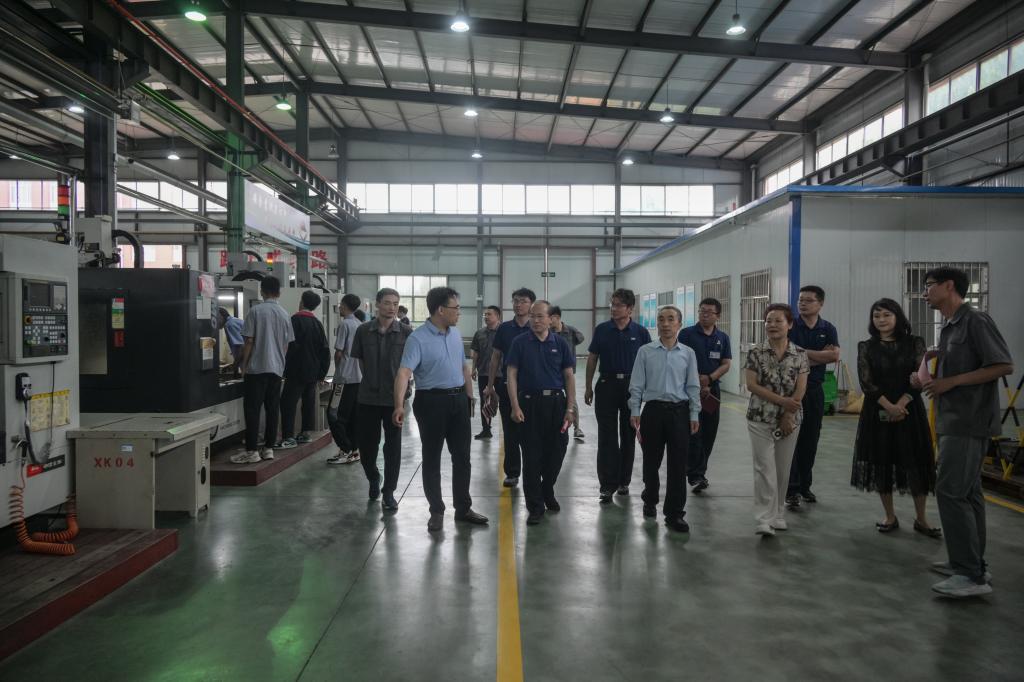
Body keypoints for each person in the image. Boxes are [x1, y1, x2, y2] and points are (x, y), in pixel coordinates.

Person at [914, 267, 1012, 598]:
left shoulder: (975, 321)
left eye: (929, 286)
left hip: (969, 421)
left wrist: (951, 381)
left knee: (950, 491)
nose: (924, 293)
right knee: (968, 493)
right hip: (952, 419)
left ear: (949, 286)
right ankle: (971, 563)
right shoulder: (949, 326)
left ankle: (970, 575)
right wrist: (929, 373)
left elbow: (1003, 365)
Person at [394, 286, 489, 532]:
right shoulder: (418, 339)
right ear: (440, 310)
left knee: (463, 457)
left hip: (459, 400)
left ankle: (463, 508)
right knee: (432, 458)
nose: (459, 312)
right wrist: (399, 405)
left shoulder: (455, 334)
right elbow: (404, 372)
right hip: (431, 402)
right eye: (456, 308)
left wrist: (470, 396)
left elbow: (464, 367)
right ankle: (436, 511)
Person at [851, 298, 940, 537]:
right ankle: (890, 516)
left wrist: (900, 404)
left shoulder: (915, 343)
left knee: (916, 462)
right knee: (882, 462)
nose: (881, 320)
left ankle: (921, 518)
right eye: (876, 316)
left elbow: (920, 378)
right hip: (877, 410)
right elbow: (867, 383)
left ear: (898, 317)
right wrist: (889, 406)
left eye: (886, 315)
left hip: (909, 410)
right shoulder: (866, 347)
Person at [628, 306, 700, 533]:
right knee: (651, 461)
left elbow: (693, 385)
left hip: (679, 413)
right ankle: (650, 498)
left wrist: (694, 413)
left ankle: (675, 513)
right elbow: (637, 384)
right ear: (657, 324)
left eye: (671, 319)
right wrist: (635, 410)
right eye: (661, 319)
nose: (665, 324)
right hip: (653, 412)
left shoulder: (688, 353)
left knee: (678, 464)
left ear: (679, 324)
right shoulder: (645, 351)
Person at [507, 300, 576, 526]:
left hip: (556, 404)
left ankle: (547, 489)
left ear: (551, 319)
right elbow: (512, 375)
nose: (535, 320)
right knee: (532, 456)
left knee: (557, 451)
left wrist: (570, 408)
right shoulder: (520, 343)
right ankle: (535, 506)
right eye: (532, 316)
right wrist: (515, 406)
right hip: (529, 404)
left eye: (540, 316)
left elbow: (569, 377)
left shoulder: (560, 343)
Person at [745, 304, 808, 536]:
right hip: (760, 417)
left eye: (778, 321)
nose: (772, 325)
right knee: (764, 468)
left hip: (790, 420)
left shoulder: (800, 354)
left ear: (790, 324)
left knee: (782, 469)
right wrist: (783, 402)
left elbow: (801, 388)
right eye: (768, 321)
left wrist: (788, 414)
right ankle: (764, 519)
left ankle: (778, 513)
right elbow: (751, 385)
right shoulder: (755, 352)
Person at [585, 288, 651, 503]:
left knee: (628, 434)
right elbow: (592, 358)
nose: (613, 308)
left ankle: (624, 481)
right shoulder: (602, 330)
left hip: (632, 388)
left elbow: (647, 363)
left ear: (630, 309)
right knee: (607, 436)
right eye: (612, 304)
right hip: (606, 385)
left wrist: (646, 390)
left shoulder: (641, 333)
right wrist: (588, 386)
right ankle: (607, 484)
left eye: (618, 305)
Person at [349, 288, 413, 509]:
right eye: (387, 303)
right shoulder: (363, 331)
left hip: (394, 400)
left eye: (395, 303)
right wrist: (371, 380)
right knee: (367, 447)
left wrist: (401, 397)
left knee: (393, 448)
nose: (392, 307)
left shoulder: (406, 332)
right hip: (367, 398)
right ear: (377, 304)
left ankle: (389, 492)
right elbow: (360, 361)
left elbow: (409, 366)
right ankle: (373, 477)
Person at [230, 276, 294, 464]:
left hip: (257, 369)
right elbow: (286, 345)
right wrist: (280, 363)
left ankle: (252, 450)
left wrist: (244, 365)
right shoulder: (285, 314)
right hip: (276, 370)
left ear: (262, 291)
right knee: (272, 409)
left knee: (252, 410)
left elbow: (248, 341)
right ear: (279, 292)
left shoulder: (255, 311)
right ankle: (268, 448)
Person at [786, 285, 840, 508]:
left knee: (810, 440)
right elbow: (786, 355)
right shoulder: (790, 325)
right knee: (791, 440)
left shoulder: (828, 328)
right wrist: (820, 356)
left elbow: (834, 357)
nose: (802, 304)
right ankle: (791, 489)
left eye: (808, 300)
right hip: (790, 391)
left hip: (815, 390)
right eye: (800, 300)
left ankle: (804, 486)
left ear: (820, 304)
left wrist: (800, 354)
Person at [679, 297, 732, 493]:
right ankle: (694, 475)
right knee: (694, 432)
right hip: (688, 391)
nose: (704, 315)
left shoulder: (722, 338)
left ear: (718, 316)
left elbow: (726, 363)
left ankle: (700, 472)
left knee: (709, 432)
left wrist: (709, 379)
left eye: (709, 312)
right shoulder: (686, 334)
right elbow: (679, 360)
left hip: (711, 393)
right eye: (702, 311)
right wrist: (696, 382)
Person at [485, 287, 536, 487]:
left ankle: (533, 471)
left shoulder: (537, 327)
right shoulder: (505, 329)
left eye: (523, 301)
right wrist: (490, 386)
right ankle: (513, 472)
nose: (518, 304)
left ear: (531, 304)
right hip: (507, 387)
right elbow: (496, 357)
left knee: (532, 432)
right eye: (515, 301)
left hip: (532, 388)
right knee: (511, 431)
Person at [278, 291, 330, 449]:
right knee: (308, 403)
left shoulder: (294, 321)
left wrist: (283, 368)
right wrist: (322, 374)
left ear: (301, 302)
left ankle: (288, 436)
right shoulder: (317, 324)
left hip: (296, 370)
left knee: (288, 403)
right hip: (313, 372)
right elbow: (325, 350)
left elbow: (288, 346)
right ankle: (305, 433)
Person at [326, 293, 363, 465]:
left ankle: (345, 449)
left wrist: (338, 370)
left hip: (344, 379)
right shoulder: (360, 324)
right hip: (358, 378)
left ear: (346, 306)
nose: (339, 307)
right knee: (353, 416)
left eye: (341, 304)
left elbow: (339, 352)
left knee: (334, 414)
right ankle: (354, 450)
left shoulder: (344, 324)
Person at [549, 305, 586, 442]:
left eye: (550, 318)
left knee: (572, 399)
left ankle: (577, 428)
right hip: (553, 371)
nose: (548, 321)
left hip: (567, 371)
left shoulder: (571, 331)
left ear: (557, 317)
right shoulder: (548, 332)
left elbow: (581, 338)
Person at [470, 305, 501, 440]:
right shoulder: (479, 333)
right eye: (485, 315)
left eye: (489, 314)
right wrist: (473, 368)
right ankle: (486, 429)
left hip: (501, 373)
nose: (486, 317)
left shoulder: (504, 332)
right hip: (483, 372)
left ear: (497, 316)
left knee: (504, 401)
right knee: (485, 401)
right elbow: (476, 352)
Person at [217, 307, 245, 374]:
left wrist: (234, 365)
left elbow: (241, 346)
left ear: (221, 316)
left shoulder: (229, 324)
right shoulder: (234, 321)